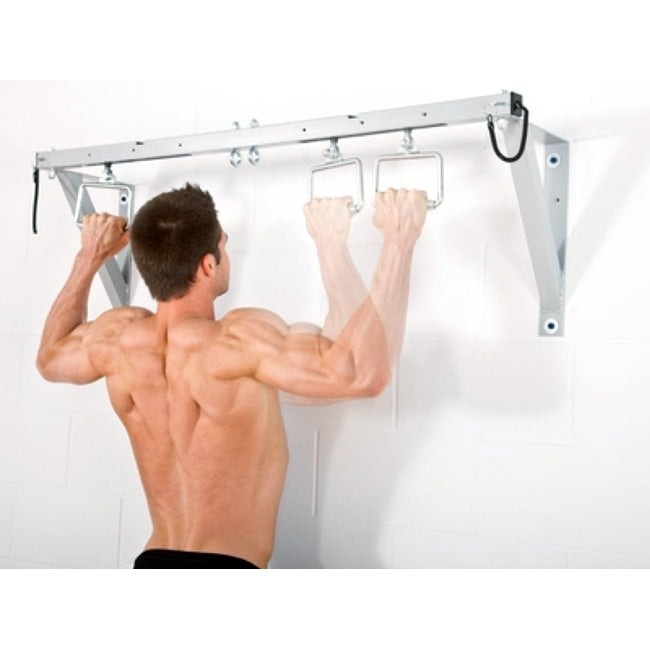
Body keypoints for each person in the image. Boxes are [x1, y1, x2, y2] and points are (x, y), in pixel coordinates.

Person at [36, 183, 428, 569]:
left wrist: (89, 256)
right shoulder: (237, 341)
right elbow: (363, 373)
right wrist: (399, 239)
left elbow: (49, 357)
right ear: (209, 264)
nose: (227, 253)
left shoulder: (117, 340)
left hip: (152, 561)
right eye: (224, 245)